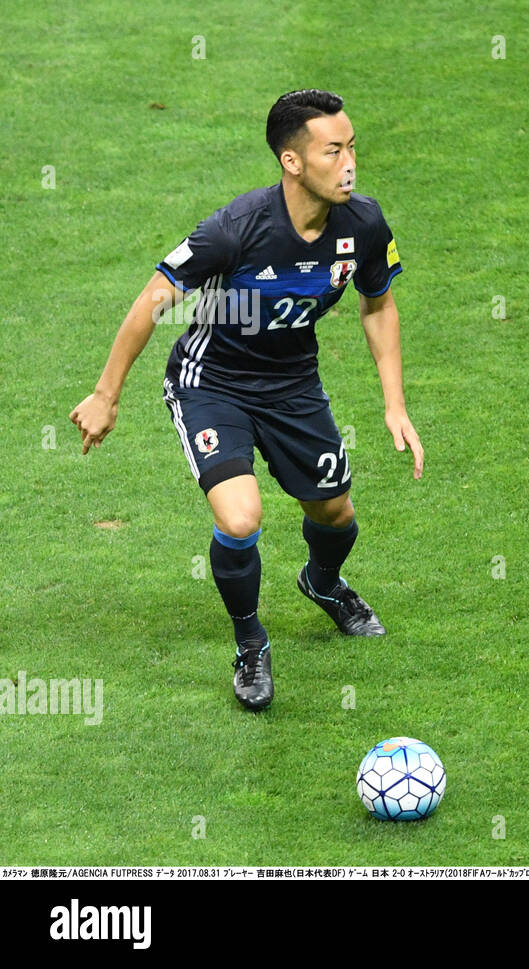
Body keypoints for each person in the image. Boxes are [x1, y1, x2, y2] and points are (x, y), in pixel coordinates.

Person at [68, 89, 423, 712]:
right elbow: (153, 300)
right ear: (292, 162)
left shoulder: (363, 224)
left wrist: (394, 404)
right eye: (333, 150)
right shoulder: (236, 229)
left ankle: (323, 582)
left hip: (293, 388)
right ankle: (250, 642)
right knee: (240, 518)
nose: (349, 164)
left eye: (353, 148)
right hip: (214, 385)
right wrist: (106, 394)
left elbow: (379, 304)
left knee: (335, 512)